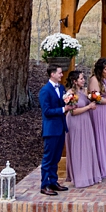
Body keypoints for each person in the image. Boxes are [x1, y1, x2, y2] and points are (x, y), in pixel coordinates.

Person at [64, 69, 102, 189]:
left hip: (85, 121)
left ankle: (89, 175)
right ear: (75, 81)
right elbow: (73, 112)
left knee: (87, 146)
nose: (83, 80)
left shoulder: (83, 91)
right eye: (81, 78)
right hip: (75, 122)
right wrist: (89, 107)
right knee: (78, 147)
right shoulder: (70, 93)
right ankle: (80, 177)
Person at [38, 65, 70, 196]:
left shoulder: (61, 88)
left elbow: (62, 103)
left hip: (60, 128)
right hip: (51, 129)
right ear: (52, 74)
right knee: (48, 158)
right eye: (59, 73)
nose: (62, 75)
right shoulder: (45, 91)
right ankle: (44, 184)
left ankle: (53, 181)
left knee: (56, 157)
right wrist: (63, 110)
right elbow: (46, 111)